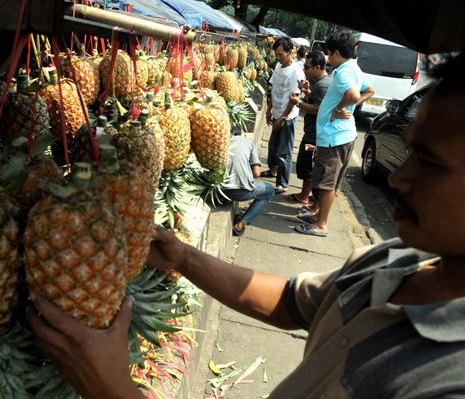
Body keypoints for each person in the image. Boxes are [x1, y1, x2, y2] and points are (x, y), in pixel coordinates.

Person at [26, 52, 465, 399]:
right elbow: (291, 303)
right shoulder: (392, 262)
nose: (397, 177)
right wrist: (183, 256)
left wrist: (109, 388)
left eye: (429, 161)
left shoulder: (447, 380)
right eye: (409, 154)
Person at [295, 31, 375, 237]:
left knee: (326, 182)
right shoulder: (355, 68)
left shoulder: (343, 72)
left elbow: (354, 94)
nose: (328, 58)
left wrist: (339, 110)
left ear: (337, 52)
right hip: (345, 135)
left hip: (334, 137)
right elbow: (369, 91)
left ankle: (321, 225)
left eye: (329, 53)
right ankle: (317, 216)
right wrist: (346, 108)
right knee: (333, 182)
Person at [285, 52, 332, 213]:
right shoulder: (319, 83)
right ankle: (304, 195)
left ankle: (307, 199)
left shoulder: (322, 85)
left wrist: (297, 102)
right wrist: (306, 92)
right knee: (307, 165)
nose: (304, 70)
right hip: (314, 130)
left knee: (309, 166)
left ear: (317, 67)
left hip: (316, 133)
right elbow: (317, 102)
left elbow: (318, 110)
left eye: (306, 67)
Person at [264, 37, 306, 194]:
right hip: (276, 113)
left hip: (287, 117)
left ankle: (283, 183)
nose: (278, 58)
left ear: (290, 52)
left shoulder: (296, 71)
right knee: (273, 146)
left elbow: (294, 98)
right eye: (276, 54)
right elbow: (274, 89)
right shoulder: (278, 66)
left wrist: (283, 117)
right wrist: (269, 111)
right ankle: (273, 170)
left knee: (284, 151)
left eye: (281, 54)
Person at [223, 132, 275, 236]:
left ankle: (222, 198)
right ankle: (241, 224)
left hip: (218, 191)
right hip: (239, 191)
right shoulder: (247, 141)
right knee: (269, 190)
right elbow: (256, 173)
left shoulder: (221, 140)